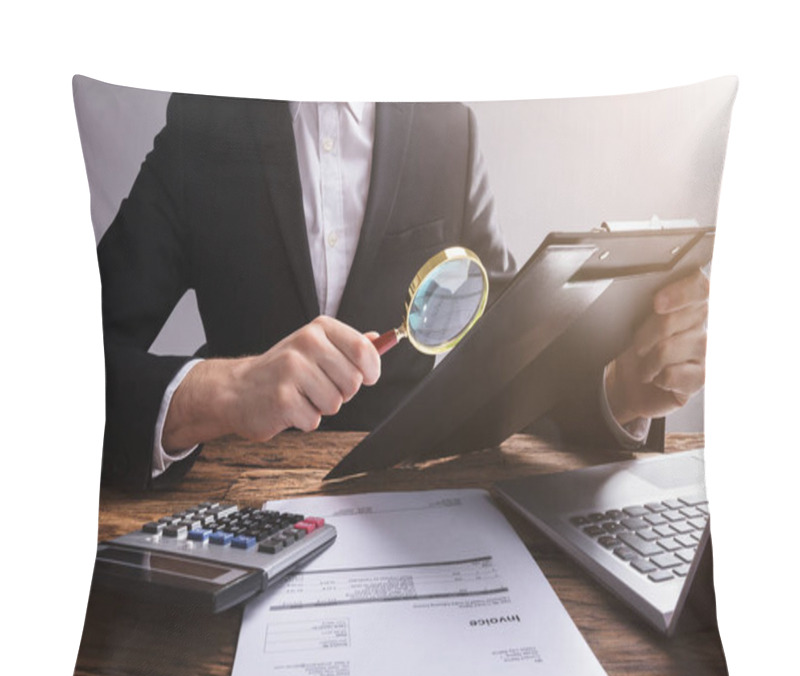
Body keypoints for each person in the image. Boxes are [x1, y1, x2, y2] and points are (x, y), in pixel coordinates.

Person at [98, 96, 708, 489]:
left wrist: (620, 389)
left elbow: (510, 344)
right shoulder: (202, 126)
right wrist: (224, 392)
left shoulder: (447, 125)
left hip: (413, 497)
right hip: (232, 508)